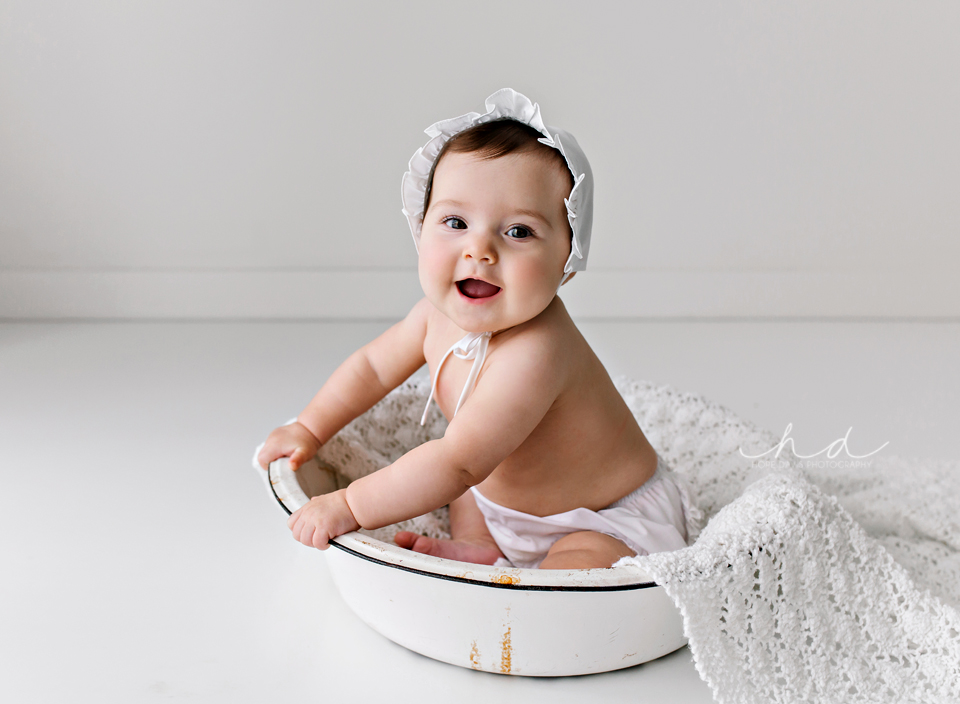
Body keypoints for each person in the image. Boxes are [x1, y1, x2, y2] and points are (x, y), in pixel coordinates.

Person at [256, 88, 695, 569]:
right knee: (464, 483)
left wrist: (349, 505)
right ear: (420, 227)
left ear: (566, 263)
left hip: (599, 517)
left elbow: (459, 462)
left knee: (558, 546)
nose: (479, 250)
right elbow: (371, 368)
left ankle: (541, 580)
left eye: (518, 232)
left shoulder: (538, 351)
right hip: (497, 495)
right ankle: (476, 542)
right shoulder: (433, 314)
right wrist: (309, 428)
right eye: (455, 221)